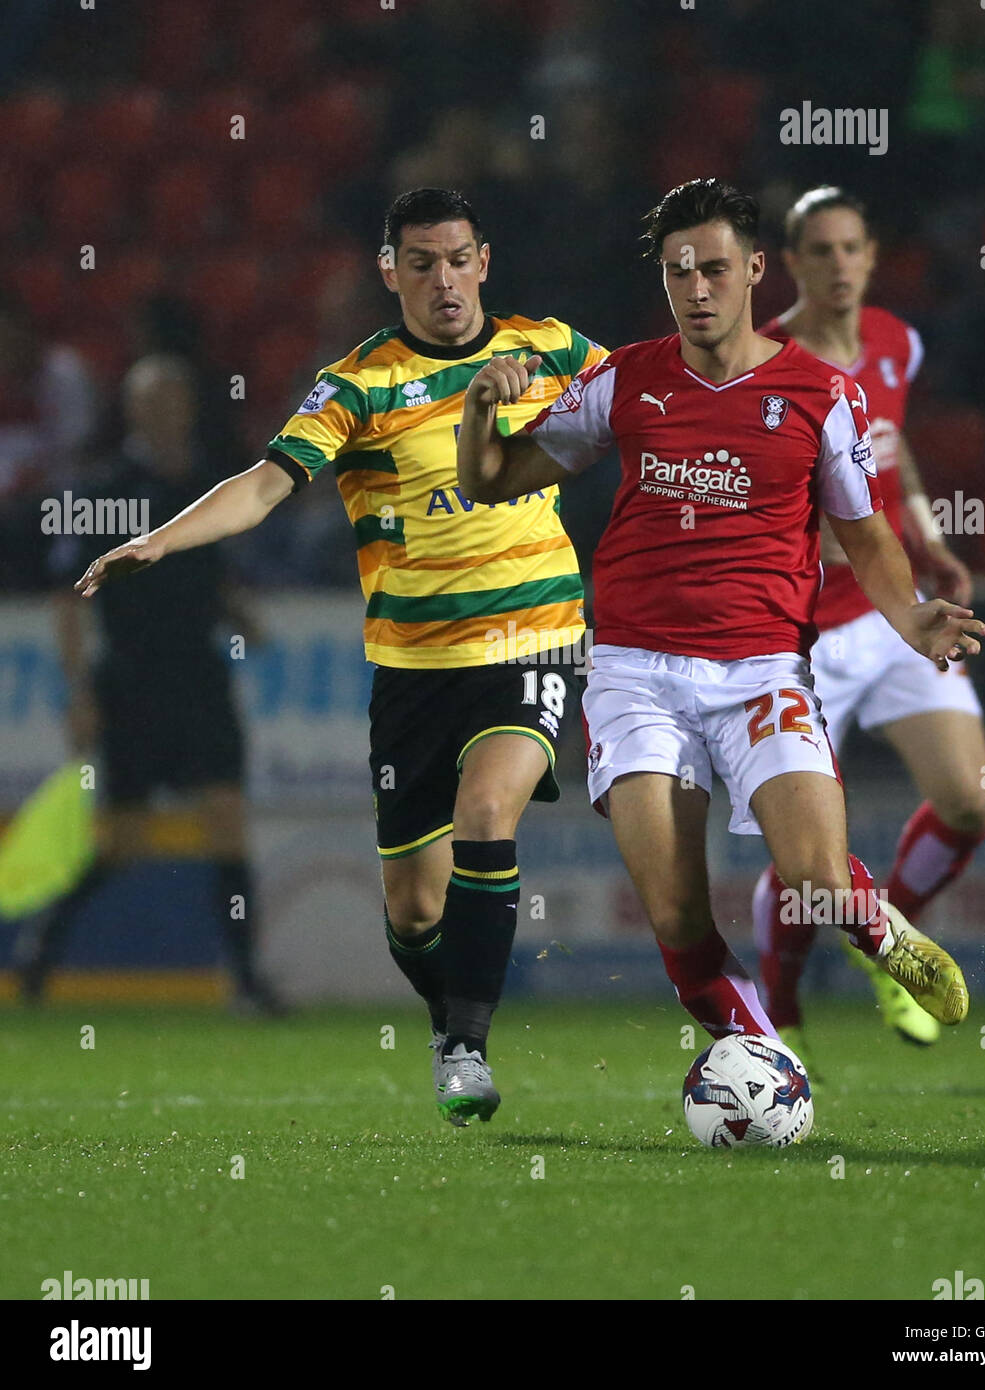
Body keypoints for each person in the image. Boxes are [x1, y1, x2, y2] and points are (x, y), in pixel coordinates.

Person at [74, 188, 607, 1126]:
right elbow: (266, 485)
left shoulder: (553, 350)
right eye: (420, 263)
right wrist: (164, 538)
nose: (442, 280)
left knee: (488, 810)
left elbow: (651, 406)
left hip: (534, 639)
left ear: (483, 260)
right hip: (412, 668)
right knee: (410, 910)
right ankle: (449, 1028)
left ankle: (470, 1050)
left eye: (456, 259)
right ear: (389, 272)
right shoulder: (361, 382)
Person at [457, 178, 985, 1050]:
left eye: (711, 270)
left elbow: (865, 532)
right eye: (676, 273)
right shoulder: (622, 378)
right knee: (672, 913)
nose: (695, 290)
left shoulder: (821, 394)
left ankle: (878, 931)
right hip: (633, 672)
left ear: (753, 271)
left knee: (812, 872)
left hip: (762, 669)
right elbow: (489, 480)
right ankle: (768, 1061)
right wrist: (479, 408)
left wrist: (910, 616)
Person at [750, 186, 985, 1064]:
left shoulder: (896, 342)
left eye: (851, 247)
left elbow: (894, 450)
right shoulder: (765, 359)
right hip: (802, 630)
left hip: (895, 616)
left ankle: (893, 947)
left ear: (871, 254)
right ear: (791, 262)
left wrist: (927, 541)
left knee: (969, 798)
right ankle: (777, 1008)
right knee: (807, 853)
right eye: (820, 250)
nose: (839, 265)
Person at [16, 354, 282, 1014]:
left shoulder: (208, 483)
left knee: (226, 820)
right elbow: (69, 598)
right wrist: (78, 692)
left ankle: (247, 982)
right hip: (131, 681)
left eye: (176, 398)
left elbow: (211, 572)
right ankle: (40, 955)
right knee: (125, 842)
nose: (167, 411)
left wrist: (236, 610)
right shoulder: (106, 491)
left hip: (199, 675)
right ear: (132, 410)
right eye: (153, 400)